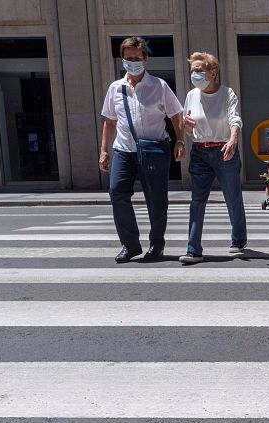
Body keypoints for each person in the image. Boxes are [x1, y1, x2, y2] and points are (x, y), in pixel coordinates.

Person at [99, 36, 185, 263]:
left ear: (145, 59)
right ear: (123, 59)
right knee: (117, 192)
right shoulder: (115, 88)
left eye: (136, 57)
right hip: (123, 150)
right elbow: (109, 121)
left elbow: (176, 115)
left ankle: (157, 244)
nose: (132, 61)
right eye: (128, 58)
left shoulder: (159, 85)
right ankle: (130, 245)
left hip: (154, 150)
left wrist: (180, 140)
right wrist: (104, 150)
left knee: (156, 199)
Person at [178, 52, 247, 265]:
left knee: (232, 196)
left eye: (199, 70)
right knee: (197, 201)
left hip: (224, 149)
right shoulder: (191, 95)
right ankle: (193, 249)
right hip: (199, 152)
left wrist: (233, 139)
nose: (195, 75)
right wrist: (186, 127)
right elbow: (189, 129)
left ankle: (238, 239)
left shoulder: (227, 93)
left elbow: (235, 119)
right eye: (192, 71)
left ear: (213, 72)